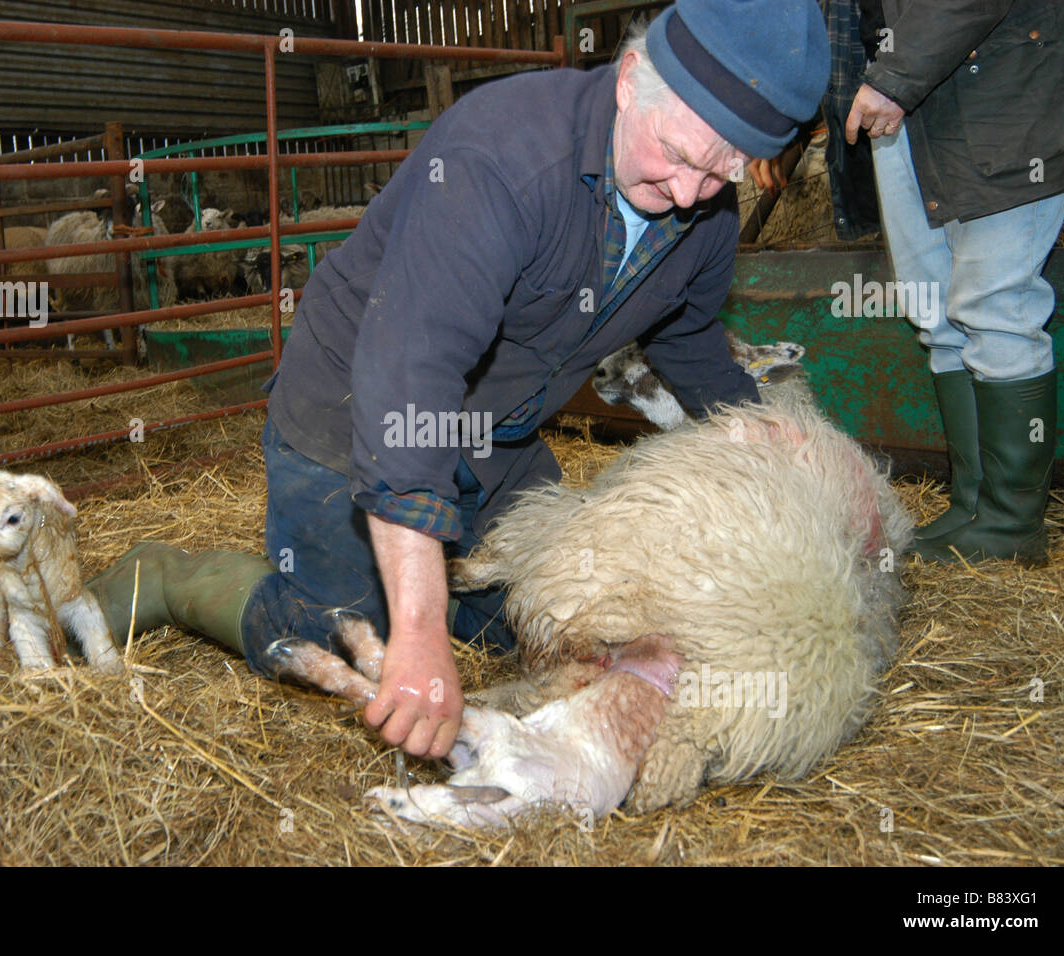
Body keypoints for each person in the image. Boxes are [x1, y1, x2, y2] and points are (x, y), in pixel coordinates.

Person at [88, 0, 830, 759]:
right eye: (676, 154)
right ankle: (173, 580)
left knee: (557, 631)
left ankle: (437, 577)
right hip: (355, 409)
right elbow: (412, 368)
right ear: (629, 78)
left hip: (493, 433)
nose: (686, 193)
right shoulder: (505, 155)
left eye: (720, 171)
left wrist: (758, 431)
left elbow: (688, 331)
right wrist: (416, 627)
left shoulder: (702, 214)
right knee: (356, 651)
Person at [846, 0, 1064, 565]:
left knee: (995, 304)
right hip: (911, 93)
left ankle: (1011, 522)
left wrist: (895, 75)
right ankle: (972, 501)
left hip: (1007, 84)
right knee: (935, 309)